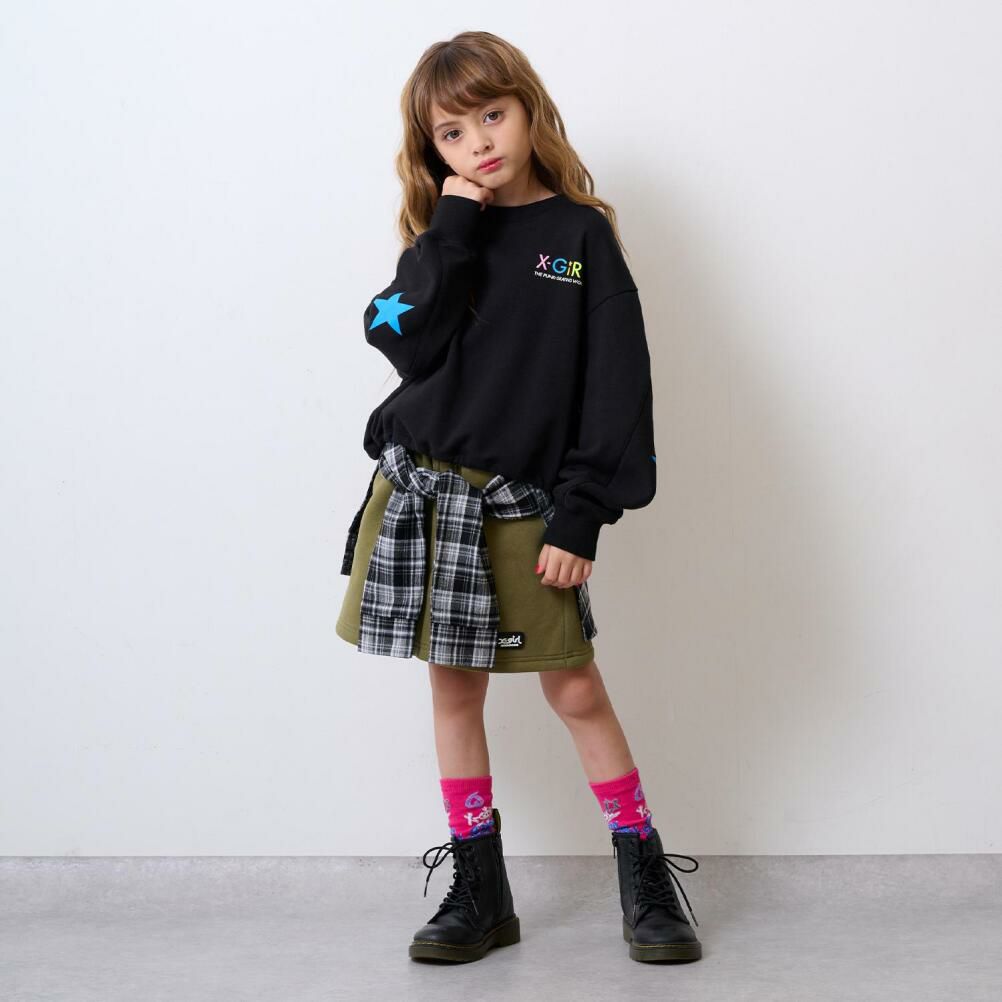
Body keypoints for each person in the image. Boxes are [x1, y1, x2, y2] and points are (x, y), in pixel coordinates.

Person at [337, 30, 702, 964]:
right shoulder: (443, 241)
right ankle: (480, 889)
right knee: (452, 687)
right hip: (424, 493)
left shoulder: (579, 238)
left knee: (573, 686)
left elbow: (616, 388)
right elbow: (401, 339)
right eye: (452, 134)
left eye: (492, 116)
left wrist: (581, 513)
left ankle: (644, 874)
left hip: (522, 504)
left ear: (529, 108)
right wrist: (452, 227)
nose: (480, 144)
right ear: (433, 151)